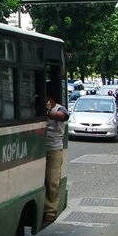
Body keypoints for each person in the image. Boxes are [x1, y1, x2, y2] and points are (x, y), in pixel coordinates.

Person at [44, 91, 69, 222]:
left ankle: (50, 211)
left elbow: (63, 116)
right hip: (40, 148)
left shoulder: (59, 108)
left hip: (54, 148)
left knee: (52, 181)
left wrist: (47, 113)